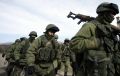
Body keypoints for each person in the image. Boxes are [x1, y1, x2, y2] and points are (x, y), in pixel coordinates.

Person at [70, 2, 119, 76]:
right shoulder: (91, 26)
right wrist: (98, 42)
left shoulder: (110, 30)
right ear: (104, 12)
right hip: (93, 71)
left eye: (115, 14)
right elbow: (74, 44)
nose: (113, 16)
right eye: (112, 13)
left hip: (109, 70)